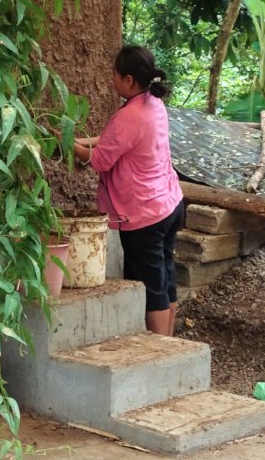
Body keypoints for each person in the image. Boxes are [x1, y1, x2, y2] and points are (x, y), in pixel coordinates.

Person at [71, 45, 184, 336]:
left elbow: (100, 160)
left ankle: (159, 349)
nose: (111, 78)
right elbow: (115, 140)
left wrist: (67, 144)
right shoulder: (153, 103)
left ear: (129, 80)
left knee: (152, 287)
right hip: (170, 203)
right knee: (166, 277)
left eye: (115, 74)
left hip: (144, 214)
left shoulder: (129, 116)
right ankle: (171, 344)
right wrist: (78, 139)